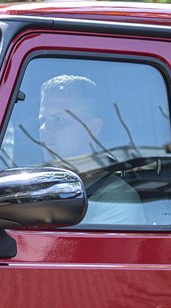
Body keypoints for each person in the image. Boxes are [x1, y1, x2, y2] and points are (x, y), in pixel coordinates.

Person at [37, 74, 147, 227]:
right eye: (42, 120)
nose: (44, 129)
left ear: (92, 128)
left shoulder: (116, 199)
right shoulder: (37, 183)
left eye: (59, 120)